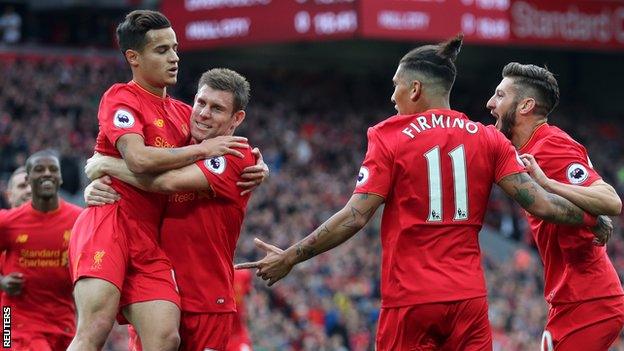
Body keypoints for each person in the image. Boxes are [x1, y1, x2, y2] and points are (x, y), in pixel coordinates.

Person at [234, 35, 612, 350]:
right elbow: (542, 204)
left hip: (411, 301)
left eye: (396, 86)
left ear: (415, 88)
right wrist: (589, 217)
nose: (392, 96)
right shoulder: (487, 139)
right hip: (468, 301)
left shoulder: (387, 135)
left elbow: (355, 216)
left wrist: (291, 257)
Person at [68, 10, 250, 351]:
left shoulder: (184, 114)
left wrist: (259, 163)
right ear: (134, 57)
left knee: (166, 337)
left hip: (150, 239)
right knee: (95, 329)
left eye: (175, 48)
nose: (175, 57)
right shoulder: (120, 97)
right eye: (162, 50)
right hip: (110, 220)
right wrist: (204, 149)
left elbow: (222, 153)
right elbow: (138, 159)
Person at [486, 62, 624, 351]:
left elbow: (610, 200)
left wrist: (548, 184)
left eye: (500, 95)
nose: (490, 103)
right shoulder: (520, 149)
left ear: (525, 105)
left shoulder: (553, 144)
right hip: (567, 300)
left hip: (591, 301)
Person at [0, 150, 82, 350]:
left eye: (53, 169)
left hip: (62, 322)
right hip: (11, 320)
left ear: (60, 178)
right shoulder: (7, 223)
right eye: (39, 170)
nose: (47, 174)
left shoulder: (78, 220)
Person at [227, 269, 254, 351]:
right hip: (215, 337)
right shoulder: (206, 275)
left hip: (238, 336)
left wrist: (248, 312)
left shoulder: (242, 274)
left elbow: (249, 295)